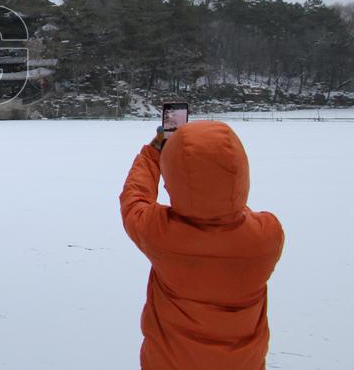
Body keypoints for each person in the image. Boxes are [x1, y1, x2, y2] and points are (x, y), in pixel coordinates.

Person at [120, 120, 284, 370]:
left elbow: (135, 199)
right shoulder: (268, 236)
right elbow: (238, 219)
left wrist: (154, 151)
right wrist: (227, 204)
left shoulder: (159, 234)